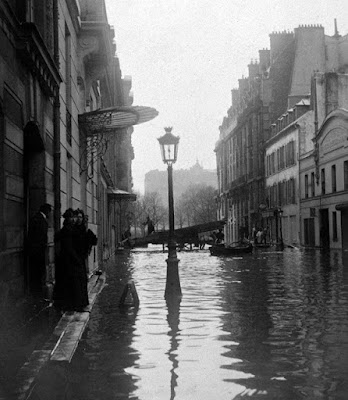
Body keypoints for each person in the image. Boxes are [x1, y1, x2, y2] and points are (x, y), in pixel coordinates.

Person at [27, 203, 52, 295]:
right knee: (39, 272)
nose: (50, 213)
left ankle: (37, 292)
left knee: (36, 272)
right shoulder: (41, 220)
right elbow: (40, 237)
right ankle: (38, 293)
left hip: (35, 251)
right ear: (46, 211)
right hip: (39, 251)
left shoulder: (36, 218)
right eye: (49, 211)